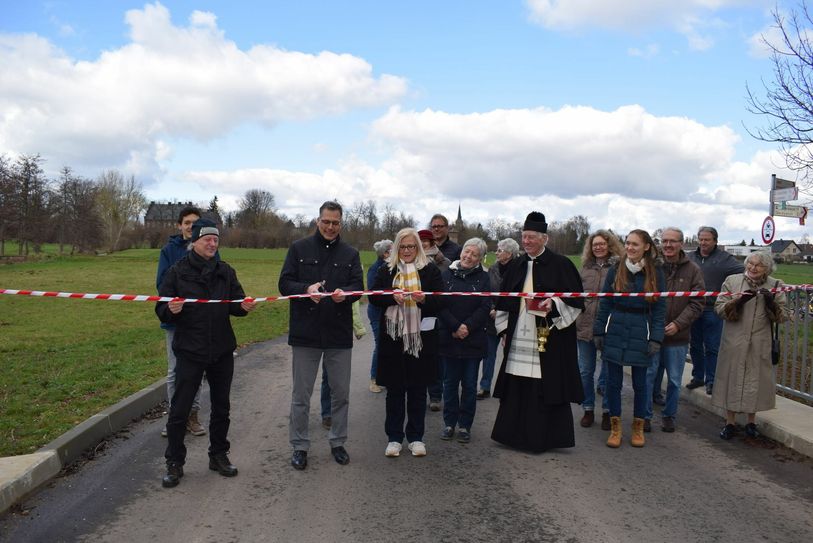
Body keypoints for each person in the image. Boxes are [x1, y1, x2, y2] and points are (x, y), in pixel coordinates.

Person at [155, 219, 256, 488]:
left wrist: (244, 307)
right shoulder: (177, 272)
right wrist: (170, 310)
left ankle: (218, 455)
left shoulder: (225, 271)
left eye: (216, 240)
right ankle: (174, 462)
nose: (212, 244)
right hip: (190, 350)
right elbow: (161, 308)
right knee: (180, 409)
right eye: (207, 240)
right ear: (195, 242)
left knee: (222, 407)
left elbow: (236, 303)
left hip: (221, 349)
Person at [278, 201, 363, 471]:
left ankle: (338, 441)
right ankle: (299, 446)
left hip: (338, 334)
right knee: (301, 395)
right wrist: (306, 288)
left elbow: (358, 287)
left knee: (341, 394)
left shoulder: (350, 253)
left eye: (335, 222)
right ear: (318, 221)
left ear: (341, 224)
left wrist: (345, 295)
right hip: (306, 333)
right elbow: (284, 284)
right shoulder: (298, 248)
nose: (330, 226)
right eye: (326, 221)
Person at [491, 212, 585, 452]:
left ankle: (543, 439)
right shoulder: (516, 265)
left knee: (545, 387)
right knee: (517, 387)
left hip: (548, 338)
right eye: (524, 237)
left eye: (532, 237)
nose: (527, 241)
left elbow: (575, 301)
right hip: (518, 336)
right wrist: (503, 332)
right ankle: (513, 437)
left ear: (545, 238)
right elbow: (504, 301)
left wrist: (554, 303)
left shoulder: (562, 264)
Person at [369, 228, 444, 458]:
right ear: (396, 248)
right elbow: (373, 296)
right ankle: (394, 438)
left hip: (421, 340)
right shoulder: (387, 269)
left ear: (418, 248)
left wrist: (425, 299)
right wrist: (392, 295)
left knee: (417, 390)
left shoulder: (429, 270)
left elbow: (440, 301)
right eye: (403, 246)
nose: (407, 251)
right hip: (393, 339)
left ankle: (416, 437)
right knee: (394, 391)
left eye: (412, 246)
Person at [593, 229, 665, 448]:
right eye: (628, 243)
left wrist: (656, 337)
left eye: (635, 244)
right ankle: (616, 428)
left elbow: (660, 308)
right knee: (613, 383)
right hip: (615, 327)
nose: (630, 248)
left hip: (640, 329)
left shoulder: (655, 272)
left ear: (646, 247)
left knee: (641, 384)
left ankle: (638, 427)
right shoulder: (616, 269)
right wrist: (599, 330)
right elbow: (605, 302)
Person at [713, 251, 789, 440]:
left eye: (758, 265)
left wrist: (771, 304)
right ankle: (729, 423)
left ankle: (751, 422)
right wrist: (738, 302)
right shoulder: (732, 281)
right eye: (750, 264)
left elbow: (783, 316)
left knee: (755, 382)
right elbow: (719, 308)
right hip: (735, 339)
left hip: (759, 341)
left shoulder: (775, 285)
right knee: (732, 378)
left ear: (767, 269)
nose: (753, 268)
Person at [156, 205, 210, 438]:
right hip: (175, 321)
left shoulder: (209, 247)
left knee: (196, 369)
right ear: (180, 226)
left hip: (199, 322)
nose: (190, 227)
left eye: (194, 223)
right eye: (186, 223)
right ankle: (175, 415)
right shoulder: (169, 251)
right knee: (175, 371)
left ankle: (193, 415)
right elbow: (162, 284)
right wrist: (175, 304)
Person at [644, 228, 704, 433]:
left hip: (677, 337)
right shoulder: (651, 266)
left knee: (675, 381)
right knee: (648, 377)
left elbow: (697, 302)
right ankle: (644, 416)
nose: (668, 245)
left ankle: (669, 416)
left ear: (681, 243)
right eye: (664, 241)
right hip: (652, 333)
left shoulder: (693, 270)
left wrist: (679, 323)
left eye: (673, 241)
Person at [438, 237, 491, 443]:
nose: (468, 256)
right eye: (467, 252)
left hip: (473, 339)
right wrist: (454, 326)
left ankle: (464, 426)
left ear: (480, 259)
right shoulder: (447, 275)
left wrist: (467, 327)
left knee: (469, 385)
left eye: (474, 254)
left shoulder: (484, 278)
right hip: (450, 338)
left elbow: (485, 306)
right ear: (461, 252)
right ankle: (449, 423)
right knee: (449, 384)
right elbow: (440, 304)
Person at [687, 226, 744, 395]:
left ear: (715, 241)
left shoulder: (725, 259)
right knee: (695, 345)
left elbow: (745, 272)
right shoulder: (690, 257)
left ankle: (711, 380)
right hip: (693, 307)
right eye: (701, 239)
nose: (703, 242)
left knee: (712, 346)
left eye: (707, 240)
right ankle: (698, 377)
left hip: (713, 309)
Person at [576, 230, 623, 430]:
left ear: (609, 245)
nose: (598, 247)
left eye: (602, 244)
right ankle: (588, 408)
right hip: (585, 326)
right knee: (585, 371)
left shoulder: (619, 267)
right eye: (595, 244)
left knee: (609, 373)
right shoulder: (585, 268)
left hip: (609, 327)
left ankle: (607, 411)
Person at [478, 238, 521, 400]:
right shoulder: (493, 269)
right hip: (492, 319)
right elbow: (486, 291)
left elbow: (518, 296)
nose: (496, 253)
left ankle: (508, 388)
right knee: (489, 355)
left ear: (509, 254)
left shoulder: (519, 270)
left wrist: (502, 309)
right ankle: (485, 386)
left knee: (510, 354)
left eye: (500, 250)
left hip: (511, 319)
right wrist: (491, 308)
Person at [319, 300, 367, 429]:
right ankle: (327, 413)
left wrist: (358, 327)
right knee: (327, 376)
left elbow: (354, 304)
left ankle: (333, 414)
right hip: (314, 331)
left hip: (339, 332)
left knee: (337, 379)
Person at [418, 228, 450, 410]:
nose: (423, 244)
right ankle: (419, 393)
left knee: (436, 358)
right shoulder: (412, 262)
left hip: (438, 314)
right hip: (418, 313)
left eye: (426, 241)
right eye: (420, 241)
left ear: (432, 243)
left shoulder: (444, 263)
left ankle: (436, 395)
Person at [367, 239, 393, 394]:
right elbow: (372, 293)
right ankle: (374, 379)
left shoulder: (392, 267)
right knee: (380, 345)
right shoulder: (375, 269)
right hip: (377, 313)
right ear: (385, 254)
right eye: (392, 249)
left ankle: (387, 376)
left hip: (390, 312)